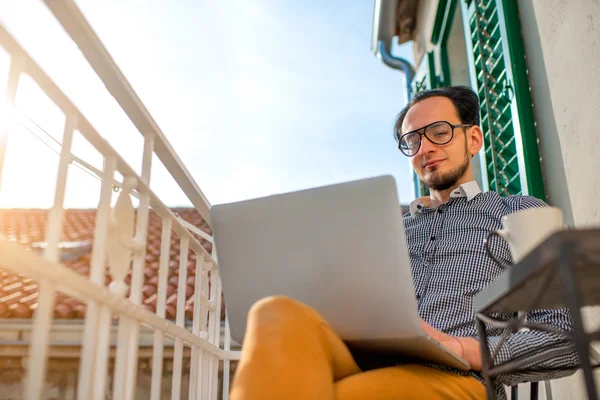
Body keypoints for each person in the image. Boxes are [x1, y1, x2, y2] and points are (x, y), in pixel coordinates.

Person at [229, 86, 577, 400]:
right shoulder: (384, 229)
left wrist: (462, 348)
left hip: (459, 378)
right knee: (273, 310)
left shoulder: (518, 212)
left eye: (439, 132)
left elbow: (564, 338)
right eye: (412, 141)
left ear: (473, 140)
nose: (425, 148)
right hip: (366, 363)